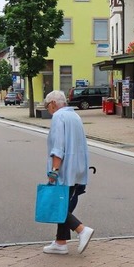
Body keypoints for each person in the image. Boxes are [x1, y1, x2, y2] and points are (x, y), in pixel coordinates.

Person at [42, 90, 94, 255]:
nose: (48, 110)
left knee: (57, 204)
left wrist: (54, 171)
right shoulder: (75, 116)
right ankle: (60, 242)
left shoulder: (58, 117)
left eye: (47, 106)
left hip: (65, 169)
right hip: (78, 167)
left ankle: (81, 230)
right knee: (64, 203)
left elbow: (59, 146)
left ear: (52, 104)